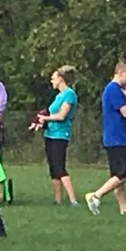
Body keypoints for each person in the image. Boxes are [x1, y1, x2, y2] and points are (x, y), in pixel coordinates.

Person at [85, 59, 126, 216]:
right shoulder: (114, 90)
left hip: (114, 137)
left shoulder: (113, 89)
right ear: (120, 72)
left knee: (117, 175)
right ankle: (96, 196)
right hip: (117, 138)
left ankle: (124, 208)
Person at [36, 66, 79, 206]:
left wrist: (45, 118)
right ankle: (57, 200)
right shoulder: (58, 96)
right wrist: (40, 122)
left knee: (60, 167)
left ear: (61, 79)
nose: (51, 81)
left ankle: (73, 200)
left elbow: (61, 116)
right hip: (50, 133)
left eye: (53, 78)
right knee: (53, 167)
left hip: (60, 134)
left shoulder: (69, 94)